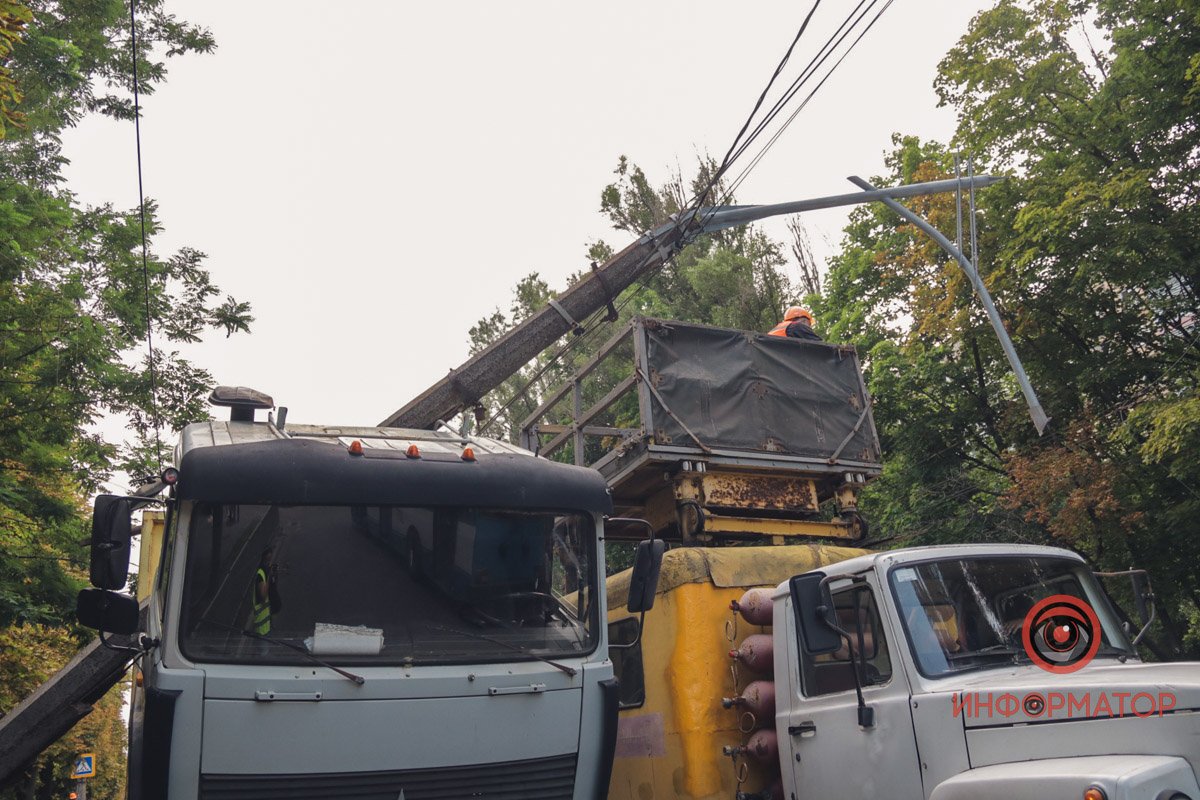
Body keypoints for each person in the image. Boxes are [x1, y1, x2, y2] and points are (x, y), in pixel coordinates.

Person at [249, 546, 276, 635]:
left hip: (266, 626)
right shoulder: (261, 574)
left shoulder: (264, 572)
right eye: (269, 559)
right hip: (261, 629)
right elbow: (263, 596)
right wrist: (269, 578)